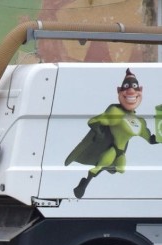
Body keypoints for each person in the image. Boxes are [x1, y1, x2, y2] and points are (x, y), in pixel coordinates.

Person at [66, 68, 158, 198]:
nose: (131, 90)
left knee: (120, 169)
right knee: (99, 166)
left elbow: (151, 139)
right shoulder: (115, 112)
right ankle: (84, 184)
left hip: (121, 153)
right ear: (119, 91)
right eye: (126, 86)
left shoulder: (140, 122)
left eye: (135, 86)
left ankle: (108, 167)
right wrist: (99, 133)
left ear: (140, 90)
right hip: (114, 149)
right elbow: (94, 121)